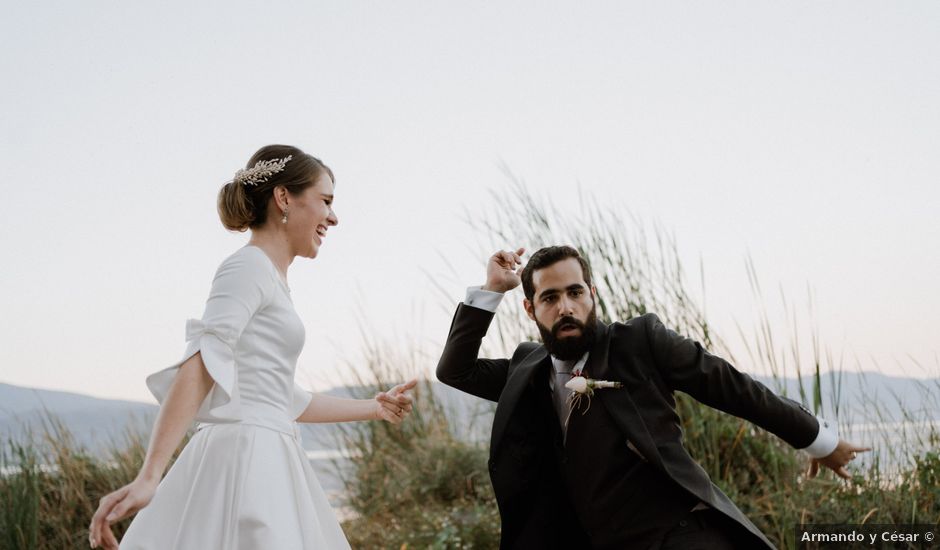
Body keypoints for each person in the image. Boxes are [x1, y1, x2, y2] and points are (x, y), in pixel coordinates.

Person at [88, 145, 417, 550]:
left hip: (272, 454)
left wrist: (373, 407)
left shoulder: (272, 277)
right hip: (247, 461)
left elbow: (281, 397)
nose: (333, 217)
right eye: (326, 201)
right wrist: (150, 474)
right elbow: (203, 359)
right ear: (283, 198)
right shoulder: (248, 267)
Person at [436, 245, 869, 549]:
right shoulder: (525, 369)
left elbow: (734, 388)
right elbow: (454, 370)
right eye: (550, 297)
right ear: (530, 308)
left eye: (575, 292)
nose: (565, 307)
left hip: (679, 535)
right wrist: (491, 289)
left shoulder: (639, 342)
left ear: (592, 295)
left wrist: (818, 440)